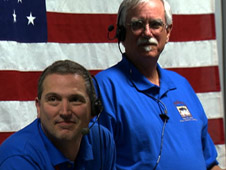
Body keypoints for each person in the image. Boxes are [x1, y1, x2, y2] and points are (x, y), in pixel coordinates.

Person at [94, 0, 224, 170]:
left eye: (155, 24)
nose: (147, 33)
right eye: (137, 24)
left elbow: (210, 163)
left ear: (167, 32)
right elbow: (95, 163)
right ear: (121, 33)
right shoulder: (104, 88)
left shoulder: (181, 85)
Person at [0, 60, 116, 170]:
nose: (65, 112)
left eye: (75, 99)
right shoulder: (18, 158)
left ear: (93, 109)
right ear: (38, 107)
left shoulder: (102, 140)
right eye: (53, 99)